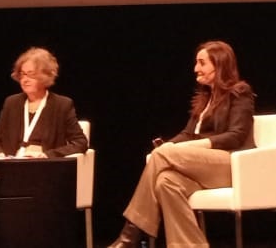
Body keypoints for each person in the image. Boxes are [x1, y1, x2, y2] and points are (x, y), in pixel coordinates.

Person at [106, 40, 255, 248]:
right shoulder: (205, 99)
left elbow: (235, 136)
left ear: (219, 64)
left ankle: (130, 235)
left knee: (162, 155)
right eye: (196, 63)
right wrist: (169, 145)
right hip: (204, 168)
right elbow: (187, 134)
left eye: (202, 63)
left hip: (231, 165)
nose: (196, 69)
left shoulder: (240, 92)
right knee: (166, 182)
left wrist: (184, 148)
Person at [0, 46, 88, 158]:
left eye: (31, 74)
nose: (25, 79)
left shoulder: (62, 105)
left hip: (44, 166)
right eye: (22, 74)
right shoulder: (11, 103)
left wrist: (47, 155)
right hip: (13, 164)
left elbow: (80, 143)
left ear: (45, 76)